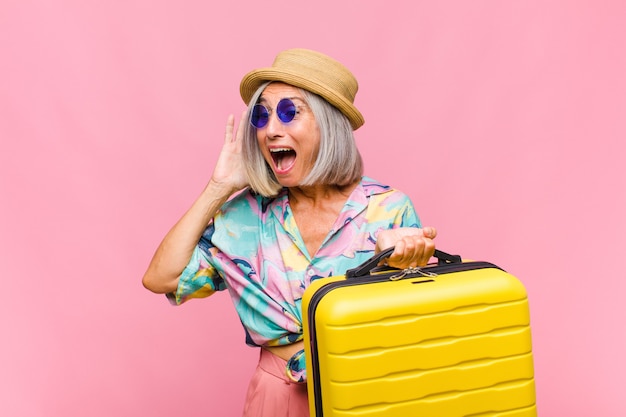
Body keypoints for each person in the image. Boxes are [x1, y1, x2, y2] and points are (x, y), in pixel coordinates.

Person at [142, 48, 437, 417]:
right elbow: (161, 278)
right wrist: (218, 187)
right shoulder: (242, 217)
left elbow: (418, 329)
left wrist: (405, 262)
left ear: (328, 124)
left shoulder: (387, 210)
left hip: (370, 391)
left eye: (288, 112)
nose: (270, 130)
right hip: (276, 397)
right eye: (262, 116)